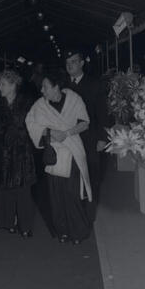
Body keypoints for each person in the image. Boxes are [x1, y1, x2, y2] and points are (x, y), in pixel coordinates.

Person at [26, 70, 92, 244]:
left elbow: (85, 123)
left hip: (72, 152)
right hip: (54, 155)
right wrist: (48, 131)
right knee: (56, 195)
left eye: (45, 87)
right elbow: (30, 122)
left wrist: (66, 133)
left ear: (56, 87)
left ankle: (78, 232)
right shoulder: (39, 105)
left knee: (72, 194)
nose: (42, 90)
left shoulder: (74, 99)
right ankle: (62, 231)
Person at [0, 69, 36, 237]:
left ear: (13, 85)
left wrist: (19, 133)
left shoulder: (27, 102)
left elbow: (34, 125)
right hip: (4, 152)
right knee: (5, 189)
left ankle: (25, 226)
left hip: (23, 152)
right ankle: (8, 222)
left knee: (24, 191)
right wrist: (5, 134)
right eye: (0, 84)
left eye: (3, 84)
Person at [64, 48, 110, 219]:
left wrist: (102, 139)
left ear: (82, 63)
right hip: (69, 140)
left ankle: (90, 214)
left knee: (91, 176)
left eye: (74, 62)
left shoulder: (95, 84)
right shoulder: (62, 86)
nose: (70, 65)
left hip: (90, 140)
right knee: (72, 177)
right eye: (67, 63)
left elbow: (103, 114)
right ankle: (76, 213)